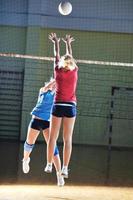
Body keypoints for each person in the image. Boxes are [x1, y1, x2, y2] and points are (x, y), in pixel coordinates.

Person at [45, 33, 78, 179]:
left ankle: (49, 164)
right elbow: (69, 56)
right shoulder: (74, 70)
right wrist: (68, 43)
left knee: (52, 138)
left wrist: (56, 43)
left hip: (57, 105)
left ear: (61, 63)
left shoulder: (57, 70)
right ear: (71, 63)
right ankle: (65, 168)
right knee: (67, 139)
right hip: (70, 106)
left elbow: (57, 55)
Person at [22, 78, 65, 186]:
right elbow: (47, 87)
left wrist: (61, 81)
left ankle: (59, 175)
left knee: (53, 148)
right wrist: (55, 80)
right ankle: (26, 160)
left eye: (56, 85)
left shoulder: (57, 96)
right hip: (36, 120)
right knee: (29, 143)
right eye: (53, 84)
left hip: (47, 123)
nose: (54, 86)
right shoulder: (43, 90)